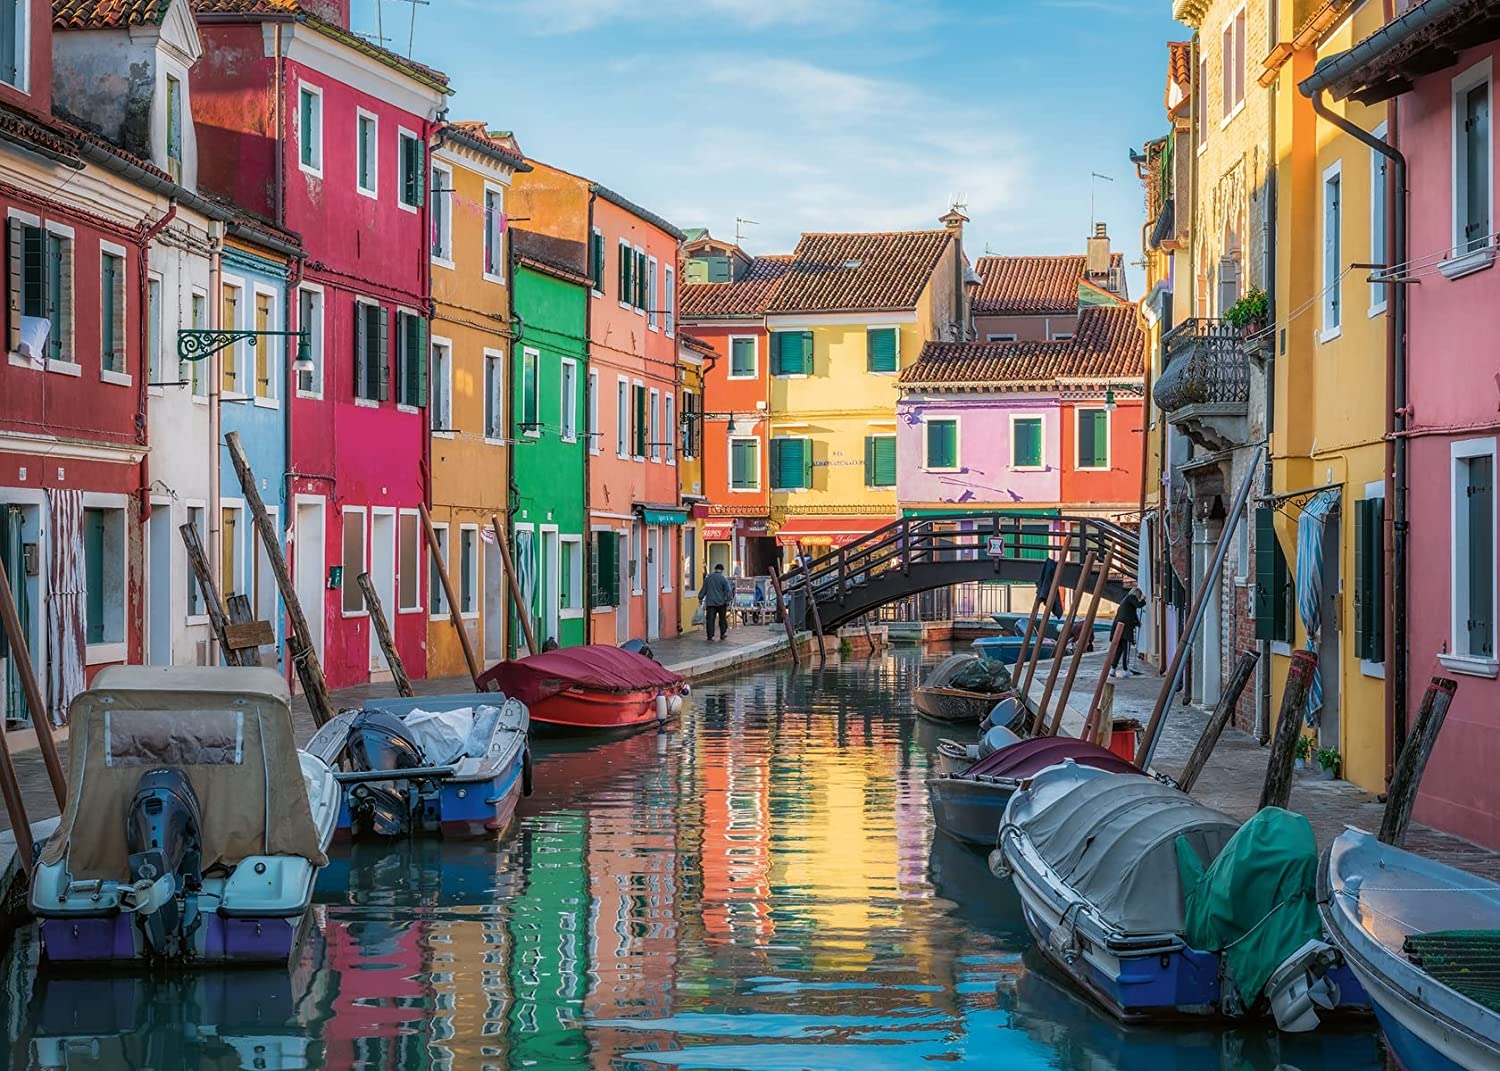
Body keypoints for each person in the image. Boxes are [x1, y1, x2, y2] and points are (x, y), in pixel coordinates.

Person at [1111, 586, 1145, 678]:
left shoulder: (1126, 600)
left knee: (1119, 649)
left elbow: (1132, 613)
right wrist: (1143, 600)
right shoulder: (1131, 598)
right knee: (1126, 648)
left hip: (1118, 627)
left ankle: (1113, 669)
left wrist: (1137, 622)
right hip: (1125, 629)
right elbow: (1138, 605)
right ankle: (1125, 669)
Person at [700, 563, 734, 641]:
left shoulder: (708, 578)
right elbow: (728, 591)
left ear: (715, 569)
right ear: (722, 570)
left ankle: (710, 636)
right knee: (722, 619)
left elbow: (703, 590)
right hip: (721, 603)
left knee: (710, 620)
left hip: (710, 603)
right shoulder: (723, 579)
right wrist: (729, 599)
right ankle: (723, 633)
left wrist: (700, 597)